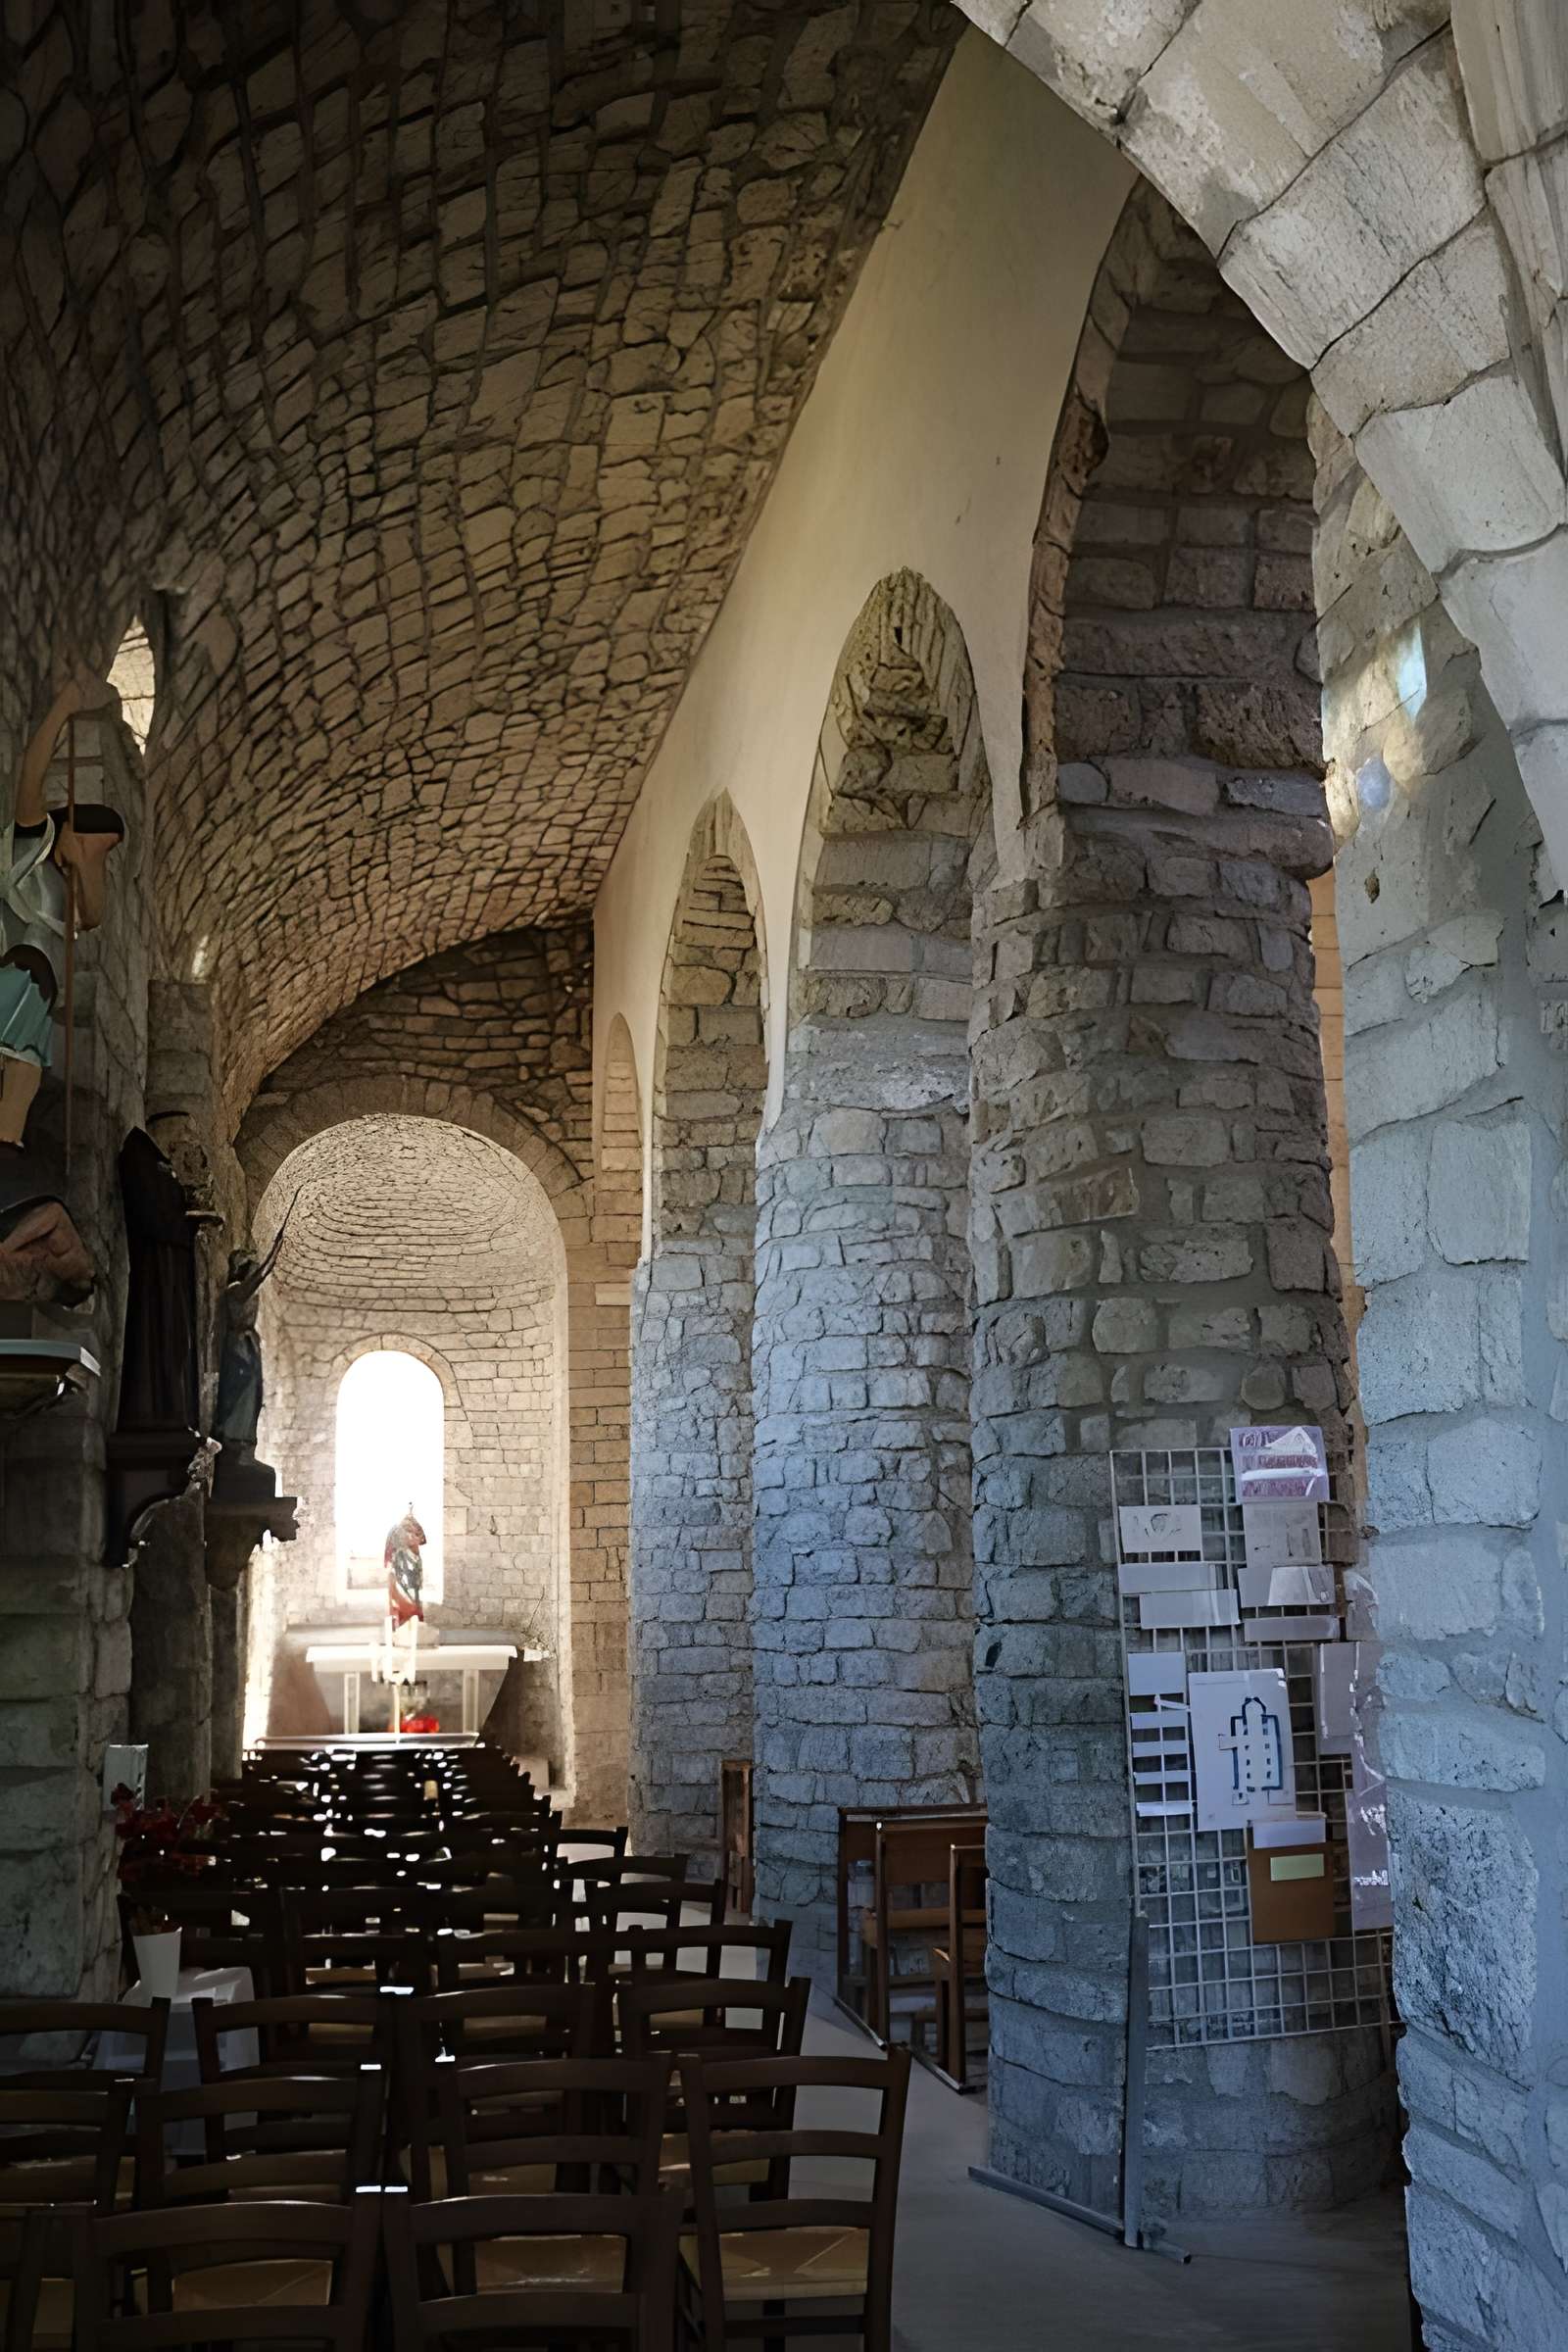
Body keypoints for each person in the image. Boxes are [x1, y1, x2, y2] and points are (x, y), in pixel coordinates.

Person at [0, 665, 124, 1150]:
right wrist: (63, 707)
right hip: (14, 964)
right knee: (16, 1061)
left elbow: (94, 914)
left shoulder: (72, 887)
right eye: (98, 842)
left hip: (40, 983)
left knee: (24, 1071)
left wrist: (88, 860)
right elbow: (31, 774)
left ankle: (7, 1153)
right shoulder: (34, 842)